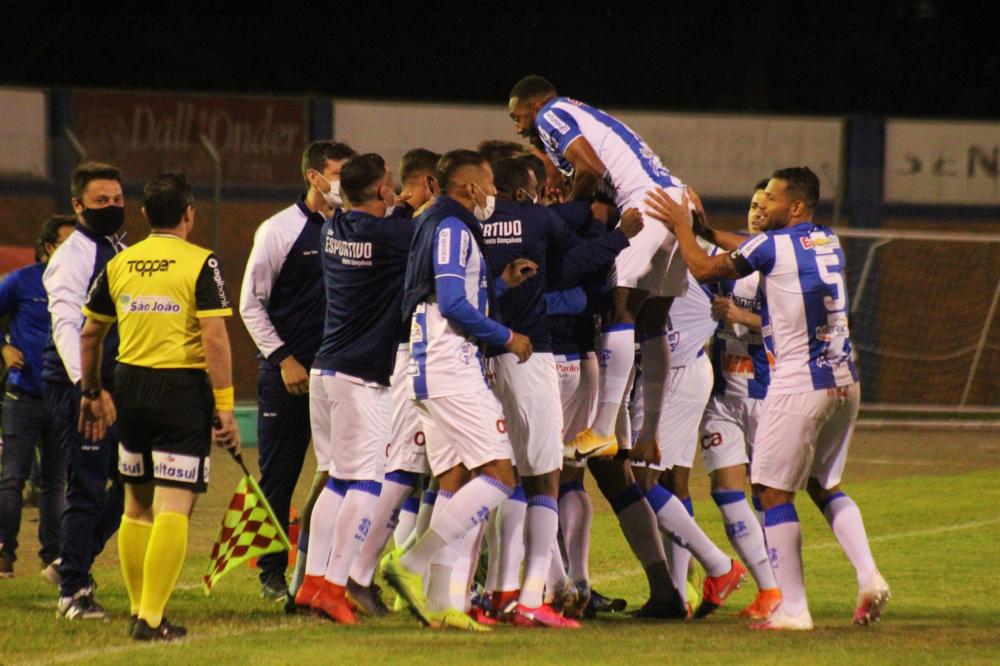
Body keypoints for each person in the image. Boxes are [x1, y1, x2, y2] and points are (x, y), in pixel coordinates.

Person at [644, 166, 890, 630]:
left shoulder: (773, 247)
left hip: (799, 382)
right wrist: (706, 230)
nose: (762, 207)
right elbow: (748, 244)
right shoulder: (825, 239)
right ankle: (869, 574)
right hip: (846, 380)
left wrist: (682, 227)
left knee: (772, 492)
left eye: (770, 199)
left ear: (794, 206)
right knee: (824, 486)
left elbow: (703, 266)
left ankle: (792, 607)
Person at [78, 172, 240, 641]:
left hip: (129, 385)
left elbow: (90, 333)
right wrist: (224, 404)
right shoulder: (200, 262)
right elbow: (214, 337)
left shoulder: (120, 262)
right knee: (175, 503)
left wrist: (91, 392)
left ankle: (137, 606)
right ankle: (150, 618)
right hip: (180, 390)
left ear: (144, 214)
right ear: (190, 213)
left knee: (136, 504)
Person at [381, 149, 537, 632]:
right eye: (489, 184)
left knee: (452, 482)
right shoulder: (451, 226)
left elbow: (452, 291)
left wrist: (500, 285)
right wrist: (506, 336)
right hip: (449, 367)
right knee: (499, 474)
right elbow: (450, 303)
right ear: (470, 187)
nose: (493, 193)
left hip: (434, 365)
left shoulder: (439, 224)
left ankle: (442, 603)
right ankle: (409, 561)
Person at [481, 157, 637, 627]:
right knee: (553, 475)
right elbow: (577, 271)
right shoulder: (543, 218)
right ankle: (549, 587)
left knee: (492, 473)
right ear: (528, 190)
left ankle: (497, 587)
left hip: (481, 357)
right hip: (546, 357)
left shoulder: (463, 221)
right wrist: (617, 234)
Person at [508, 75, 687, 467]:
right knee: (653, 321)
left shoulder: (551, 114)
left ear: (534, 105)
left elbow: (589, 168)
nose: (519, 127)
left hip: (644, 204)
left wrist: (569, 212)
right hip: (673, 197)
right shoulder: (583, 112)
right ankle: (648, 436)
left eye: (516, 116)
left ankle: (603, 431)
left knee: (620, 310)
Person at [292, 153, 415, 625]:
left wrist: (390, 203)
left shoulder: (332, 228)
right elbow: (417, 227)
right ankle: (335, 587)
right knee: (366, 482)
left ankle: (313, 582)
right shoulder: (392, 235)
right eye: (389, 185)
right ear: (383, 191)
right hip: (361, 378)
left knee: (339, 481)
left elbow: (356, 206)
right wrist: (405, 207)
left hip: (326, 370)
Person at [239, 141, 356, 600]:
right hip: (288, 376)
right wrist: (284, 359)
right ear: (314, 177)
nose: (345, 183)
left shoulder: (354, 228)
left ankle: (331, 569)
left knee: (345, 472)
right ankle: (270, 572)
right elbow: (251, 304)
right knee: (280, 475)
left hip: (342, 375)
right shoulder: (278, 230)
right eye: (339, 173)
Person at [629, 272, 748, 617]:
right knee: (671, 482)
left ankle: (719, 565)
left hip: (672, 371)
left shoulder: (659, 249)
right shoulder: (680, 252)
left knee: (639, 478)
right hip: (689, 365)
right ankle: (677, 594)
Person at [42, 161, 127, 619]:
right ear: (77, 206)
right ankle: (73, 592)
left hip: (114, 382)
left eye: (117, 199)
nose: (112, 207)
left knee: (138, 478)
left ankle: (71, 561)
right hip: (79, 385)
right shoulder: (71, 259)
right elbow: (67, 327)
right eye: (101, 201)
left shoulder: (123, 248)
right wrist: (87, 389)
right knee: (89, 484)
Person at [697, 180, 781, 620]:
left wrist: (739, 316)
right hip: (722, 396)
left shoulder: (779, 267)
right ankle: (768, 590)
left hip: (767, 397)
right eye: (752, 206)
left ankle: (785, 589)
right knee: (725, 490)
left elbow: (786, 325)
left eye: (765, 207)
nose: (756, 213)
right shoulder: (727, 264)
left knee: (768, 495)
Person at [0, 215, 75, 579]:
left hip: (62, 398)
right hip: (24, 395)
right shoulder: (21, 280)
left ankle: (52, 557)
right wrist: (3, 348)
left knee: (55, 482)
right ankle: (4, 553)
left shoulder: (81, 284)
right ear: (49, 248)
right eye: (69, 243)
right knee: (12, 477)